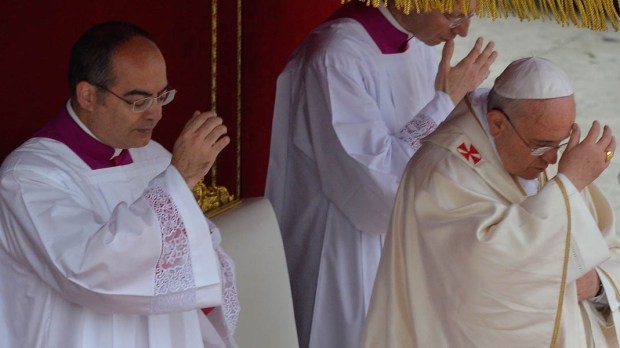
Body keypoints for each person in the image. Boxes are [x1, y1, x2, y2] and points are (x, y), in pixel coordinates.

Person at [265, 1, 497, 347]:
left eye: (469, 16)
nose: (463, 31)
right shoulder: (335, 57)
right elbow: (376, 185)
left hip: (404, 239)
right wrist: (446, 100)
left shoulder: (417, 43)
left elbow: (427, 136)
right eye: (453, 16)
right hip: (344, 245)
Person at [0, 22, 239, 348]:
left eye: (162, 96)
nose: (156, 114)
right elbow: (87, 273)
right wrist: (179, 180)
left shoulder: (154, 157)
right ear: (87, 95)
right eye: (139, 101)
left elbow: (190, 254)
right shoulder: (28, 176)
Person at [362, 57, 620, 347]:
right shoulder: (442, 171)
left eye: (560, 143)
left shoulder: (553, 164)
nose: (552, 160)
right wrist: (570, 183)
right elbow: (489, 270)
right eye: (541, 145)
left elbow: (608, 250)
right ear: (497, 123)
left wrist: (598, 286)